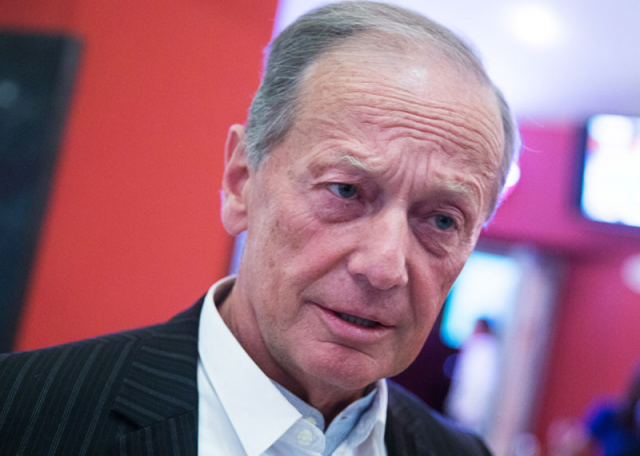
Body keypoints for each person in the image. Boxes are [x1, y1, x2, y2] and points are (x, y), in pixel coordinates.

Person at [0, 2, 518, 455]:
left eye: (442, 220)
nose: (384, 268)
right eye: (345, 190)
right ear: (241, 181)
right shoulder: (23, 413)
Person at [445, 318, 501, 436]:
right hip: (473, 404)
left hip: (470, 404)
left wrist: (465, 404)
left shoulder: (480, 348)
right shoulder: (486, 349)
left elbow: (473, 379)